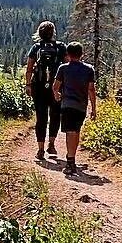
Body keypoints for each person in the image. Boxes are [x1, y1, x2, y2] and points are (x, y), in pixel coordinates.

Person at [24, 21, 67, 162]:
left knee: (41, 117)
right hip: (57, 87)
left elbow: (29, 68)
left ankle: (40, 149)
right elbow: (68, 65)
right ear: (53, 32)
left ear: (39, 33)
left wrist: (28, 85)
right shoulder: (61, 47)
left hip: (39, 86)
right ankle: (52, 145)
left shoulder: (36, 47)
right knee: (55, 115)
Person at [51, 42, 96, 175]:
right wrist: (94, 108)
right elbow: (91, 89)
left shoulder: (63, 68)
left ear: (68, 55)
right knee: (76, 131)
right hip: (81, 106)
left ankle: (71, 162)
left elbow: (55, 86)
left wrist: (57, 95)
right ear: (82, 54)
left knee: (70, 132)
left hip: (67, 105)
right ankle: (72, 159)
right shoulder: (89, 69)